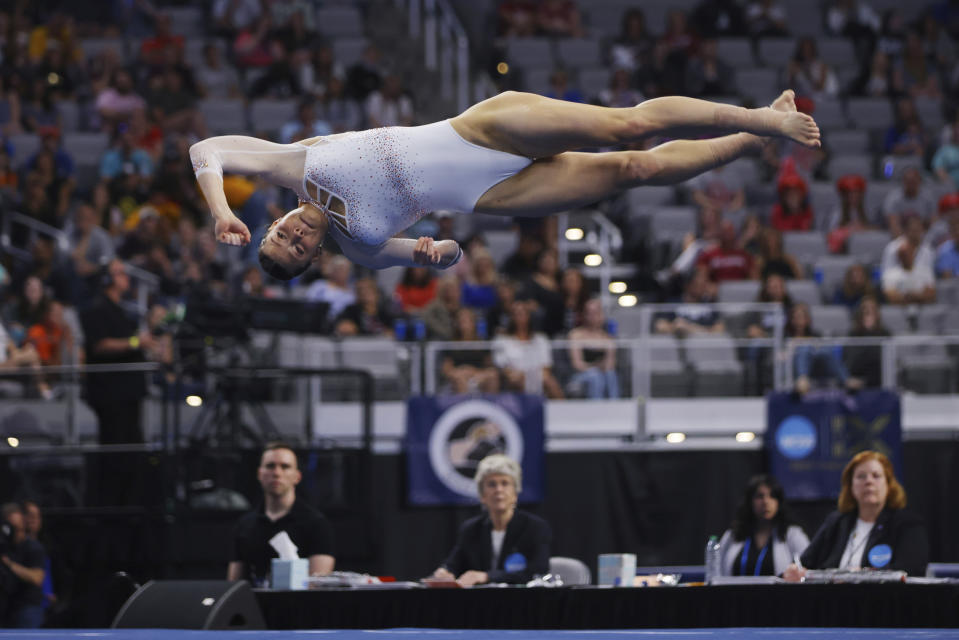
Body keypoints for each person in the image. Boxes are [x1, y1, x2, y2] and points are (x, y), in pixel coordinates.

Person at [190, 90, 821, 280]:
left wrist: (220, 211)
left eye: (281, 235)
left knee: (624, 128)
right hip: (488, 196)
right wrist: (442, 254)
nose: (296, 237)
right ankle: (747, 141)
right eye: (297, 250)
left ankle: (761, 117)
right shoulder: (356, 245)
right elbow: (437, 255)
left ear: (273, 220)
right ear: (311, 257)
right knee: (637, 171)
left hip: (478, 133)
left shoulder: (294, 165)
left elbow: (207, 148)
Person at [786, 450, 929, 579]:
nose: (868, 481)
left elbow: (911, 570)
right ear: (851, 487)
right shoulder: (836, 522)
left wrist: (860, 575)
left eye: (876, 476)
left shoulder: (907, 524)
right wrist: (794, 571)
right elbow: (804, 563)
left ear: (889, 485)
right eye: (861, 476)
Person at [432, 454, 550, 586]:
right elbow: (453, 564)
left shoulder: (534, 527)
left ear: (515, 493)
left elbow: (537, 572)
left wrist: (487, 576)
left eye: (505, 483)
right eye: (492, 484)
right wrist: (445, 572)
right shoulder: (471, 529)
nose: (498, 490)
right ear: (482, 495)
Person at [228, 443, 335, 585]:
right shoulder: (245, 525)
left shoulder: (316, 524)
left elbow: (317, 584)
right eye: (270, 466)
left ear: (297, 476)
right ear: (260, 474)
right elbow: (234, 584)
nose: (277, 473)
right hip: (253, 605)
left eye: (285, 467)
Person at [79, 259, 155, 445]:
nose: (126, 277)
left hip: (127, 392)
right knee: (116, 444)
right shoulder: (97, 309)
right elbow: (100, 345)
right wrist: (136, 342)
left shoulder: (121, 310)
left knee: (132, 443)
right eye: (120, 273)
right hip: (112, 393)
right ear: (107, 279)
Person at [718, 474, 809, 576]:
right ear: (750, 502)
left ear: (779, 502)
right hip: (734, 592)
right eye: (759, 496)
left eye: (772, 496)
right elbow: (716, 573)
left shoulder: (792, 535)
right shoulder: (733, 535)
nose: (766, 502)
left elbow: (808, 570)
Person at [0, 503, 46, 628]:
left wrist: (9, 564)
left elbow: (37, 577)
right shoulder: (4, 547)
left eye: (19, 527)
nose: (16, 532)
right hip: (7, 608)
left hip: (28, 609)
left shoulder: (33, 547)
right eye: (11, 527)